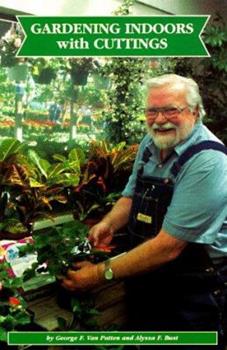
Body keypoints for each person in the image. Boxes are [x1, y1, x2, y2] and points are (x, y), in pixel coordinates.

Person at [62, 74, 227, 349]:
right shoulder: (151, 144)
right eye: (152, 110)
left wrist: (95, 275)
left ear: (195, 112)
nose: (159, 119)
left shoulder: (208, 161)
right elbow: (130, 195)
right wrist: (109, 224)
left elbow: (168, 247)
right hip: (148, 278)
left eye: (171, 109)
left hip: (194, 292)